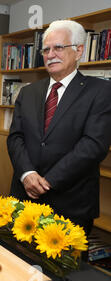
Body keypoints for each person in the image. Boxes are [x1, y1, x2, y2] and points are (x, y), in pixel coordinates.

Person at [7, 20, 111, 235]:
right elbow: (15, 137)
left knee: (64, 268)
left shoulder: (101, 91)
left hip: (70, 204)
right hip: (24, 198)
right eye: (46, 49)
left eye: (58, 47)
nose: (50, 54)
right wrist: (27, 174)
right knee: (18, 263)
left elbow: (93, 145)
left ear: (79, 50)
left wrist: (48, 181)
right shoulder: (28, 92)